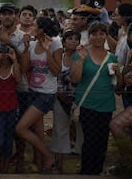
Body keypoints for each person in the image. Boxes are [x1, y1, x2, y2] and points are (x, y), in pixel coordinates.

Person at [70, 22, 122, 175]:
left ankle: (97, 171)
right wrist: (80, 60)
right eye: (94, 34)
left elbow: (118, 87)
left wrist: (119, 74)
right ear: (89, 36)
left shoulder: (112, 57)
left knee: (102, 141)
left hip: (106, 104)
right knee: (91, 139)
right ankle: (87, 172)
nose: (98, 37)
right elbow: (74, 79)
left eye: (101, 33)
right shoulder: (81, 53)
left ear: (106, 36)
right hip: (87, 103)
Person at [16, 17, 62, 172]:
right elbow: (24, 68)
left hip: (47, 93)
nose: (31, 27)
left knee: (21, 128)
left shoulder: (55, 43)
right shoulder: (33, 45)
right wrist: (25, 47)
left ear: (42, 29)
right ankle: (43, 164)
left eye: (34, 25)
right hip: (33, 91)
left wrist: (47, 50)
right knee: (37, 130)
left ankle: (48, 157)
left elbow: (56, 71)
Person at [50, 29, 83, 172]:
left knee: (81, 129)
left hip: (79, 99)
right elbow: (53, 76)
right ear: (63, 42)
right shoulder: (59, 56)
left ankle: (83, 162)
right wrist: (58, 92)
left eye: (76, 38)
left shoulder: (81, 57)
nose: (74, 41)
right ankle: (59, 163)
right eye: (70, 38)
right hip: (60, 97)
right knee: (60, 129)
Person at [0, 43, 21, 174]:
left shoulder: (14, 67)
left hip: (11, 107)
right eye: (2, 51)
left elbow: (18, 79)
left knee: (9, 138)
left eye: (7, 51)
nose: (5, 54)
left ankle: (5, 167)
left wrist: (14, 59)